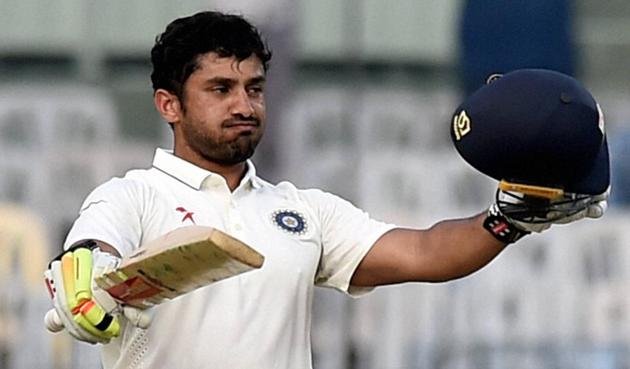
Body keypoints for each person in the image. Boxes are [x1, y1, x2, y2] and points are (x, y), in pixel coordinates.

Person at [44, 11, 609, 369]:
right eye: (220, 88)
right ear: (169, 104)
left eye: (255, 87)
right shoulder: (131, 196)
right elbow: (92, 256)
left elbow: (425, 252)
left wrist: (507, 219)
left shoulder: (300, 210)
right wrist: (84, 281)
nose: (245, 105)